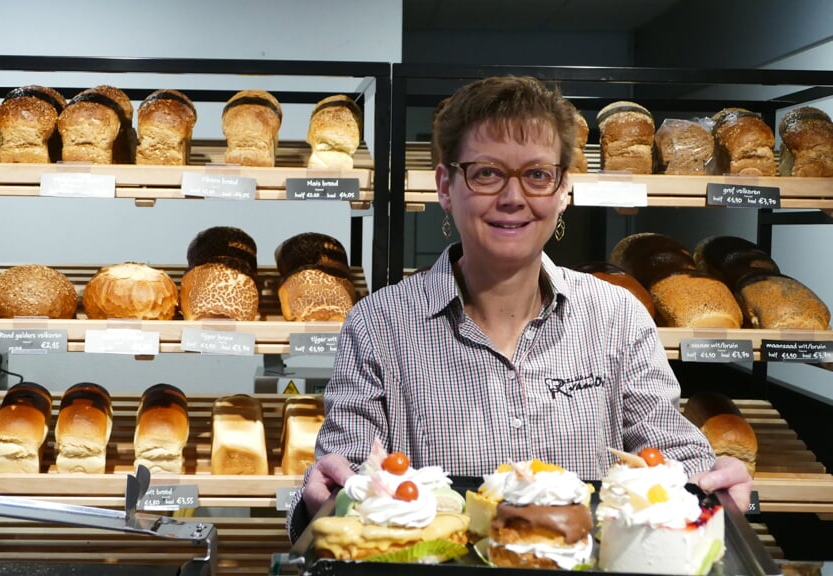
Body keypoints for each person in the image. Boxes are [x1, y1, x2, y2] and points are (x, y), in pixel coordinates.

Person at [285, 75, 752, 542]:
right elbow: (341, 477)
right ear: (445, 186)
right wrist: (322, 500)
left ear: (563, 187)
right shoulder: (379, 324)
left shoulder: (618, 317)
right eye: (486, 172)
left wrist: (715, 487)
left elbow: (670, 457)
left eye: (537, 174)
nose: (513, 198)